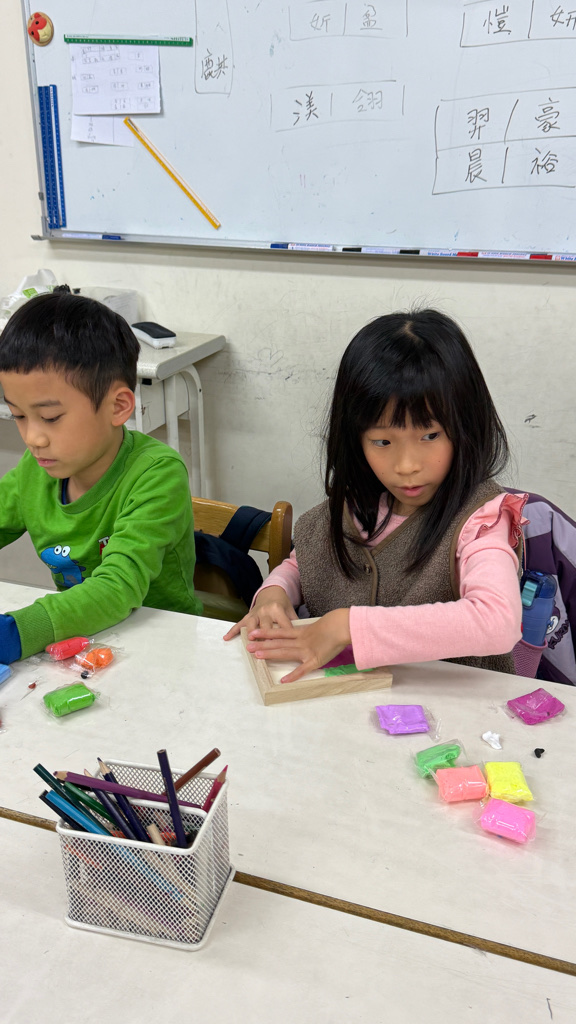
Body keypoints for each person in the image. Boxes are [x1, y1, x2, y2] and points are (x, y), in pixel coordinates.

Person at [225, 309, 527, 682]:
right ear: (356, 439)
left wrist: (349, 626)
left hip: (452, 711)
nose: (406, 465)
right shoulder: (354, 505)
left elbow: (497, 621)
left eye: (430, 435)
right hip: (347, 705)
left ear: (465, 426)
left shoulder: (481, 521)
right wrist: (275, 593)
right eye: (382, 441)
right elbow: (305, 566)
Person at [0, 291, 202, 663]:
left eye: (51, 418)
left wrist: (15, 633)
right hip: (80, 643)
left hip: (161, 647)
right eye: (19, 416)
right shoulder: (36, 469)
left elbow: (117, 587)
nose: (33, 438)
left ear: (118, 406)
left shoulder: (157, 474)